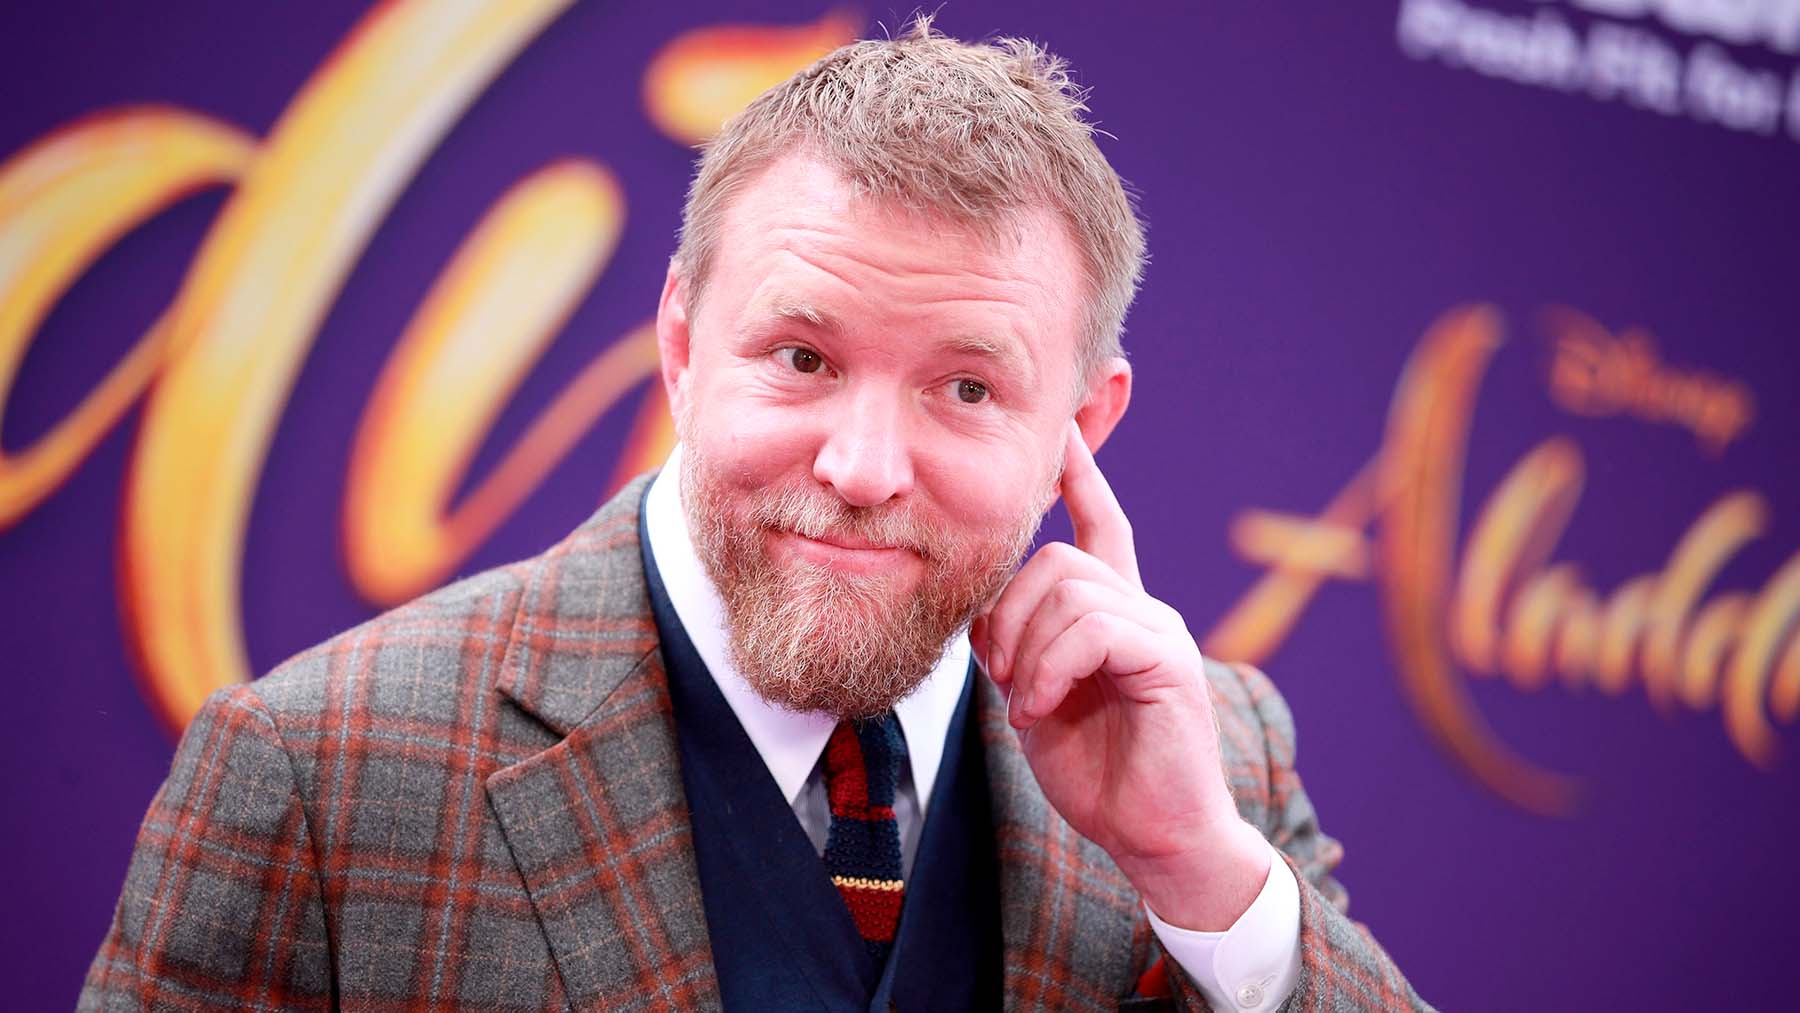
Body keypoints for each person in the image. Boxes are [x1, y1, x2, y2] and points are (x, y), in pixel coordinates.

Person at [82, 20, 1431, 1012]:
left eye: (967, 385)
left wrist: (1200, 872)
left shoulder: (1218, 769)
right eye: (802, 355)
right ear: (680, 343)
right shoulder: (318, 772)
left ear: (1083, 427)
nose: (860, 463)